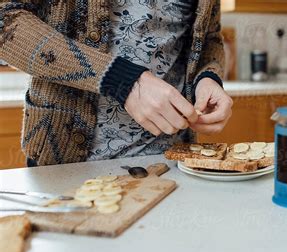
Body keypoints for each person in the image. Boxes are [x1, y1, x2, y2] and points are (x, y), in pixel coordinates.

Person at [0, 0, 232, 166]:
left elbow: (209, 36)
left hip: (172, 162)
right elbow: (5, 20)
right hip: (67, 162)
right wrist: (121, 80)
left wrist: (208, 78)